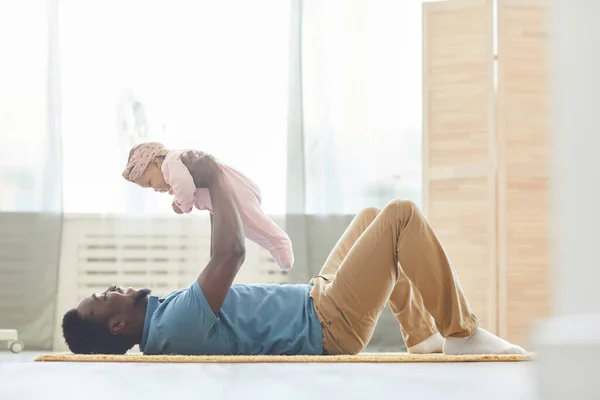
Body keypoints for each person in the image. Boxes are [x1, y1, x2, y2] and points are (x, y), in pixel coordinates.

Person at [62, 151, 526, 356]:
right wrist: (214, 178)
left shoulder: (166, 316)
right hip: (330, 324)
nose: (112, 288)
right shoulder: (172, 326)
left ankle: (422, 335)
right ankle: (461, 331)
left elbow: (224, 251)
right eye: (104, 297)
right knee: (401, 215)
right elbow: (230, 253)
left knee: (369, 217)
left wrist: (207, 181)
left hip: (315, 300)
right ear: (117, 324)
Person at [121, 142, 293, 270]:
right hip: (229, 195)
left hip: (235, 190)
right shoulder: (173, 168)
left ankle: (280, 240)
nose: (155, 189)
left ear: (157, 163)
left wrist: (182, 206)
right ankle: (274, 246)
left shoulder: (173, 162)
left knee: (255, 221)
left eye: (150, 183)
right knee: (247, 228)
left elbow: (185, 186)